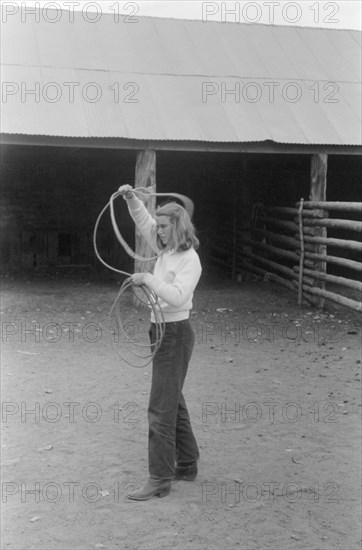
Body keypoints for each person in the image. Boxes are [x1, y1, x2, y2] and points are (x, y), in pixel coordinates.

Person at [118, 184, 202, 501]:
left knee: (159, 410)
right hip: (162, 332)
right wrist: (130, 198)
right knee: (173, 402)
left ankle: (159, 478)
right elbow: (144, 222)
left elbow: (179, 296)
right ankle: (188, 464)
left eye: (164, 227)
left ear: (177, 227)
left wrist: (147, 278)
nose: (159, 232)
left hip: (176, 334)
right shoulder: (167, 249)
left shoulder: (189, 260)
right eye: (160, 227)